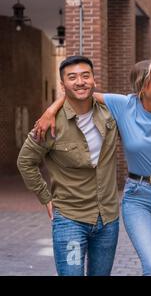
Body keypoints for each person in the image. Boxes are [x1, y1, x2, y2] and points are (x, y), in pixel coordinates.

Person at [33, 58, 151, 276]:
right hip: (138, 194)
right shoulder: (123, 105)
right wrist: (50, 110)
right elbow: (81, 94)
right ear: (142, 85)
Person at [17, 56, 120, 276]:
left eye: (85, 75)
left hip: (108, 219)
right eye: (72, 78)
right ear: (63, 85)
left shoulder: (110, 113)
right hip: (70, 220)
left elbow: (140, 102)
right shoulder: (50, 125)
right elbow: (25, 161)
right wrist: (45, 197)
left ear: (93, 79)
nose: (80, 82)